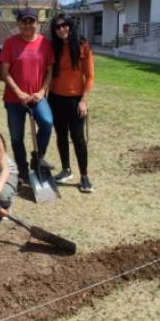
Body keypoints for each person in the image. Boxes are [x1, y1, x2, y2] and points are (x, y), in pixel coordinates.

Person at [0, 7, 55, 184]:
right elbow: (4, 72)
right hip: (14, 99)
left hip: (37, 97)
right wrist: (19, 93)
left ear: (37, 24)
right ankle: (22, 170)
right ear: (18, 24)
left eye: (31, 21)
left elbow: (49, 71)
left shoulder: (45, 44)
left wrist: (41, 91)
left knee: (46, 123)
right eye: (24, 21)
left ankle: (37, 157)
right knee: (16, 137)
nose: (28, 25)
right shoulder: (10, 43)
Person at [49, 14, 95, 192]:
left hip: (75, 100)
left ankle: (84, 176)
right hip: (55, 98)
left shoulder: (83, 46)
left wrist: (83, 100)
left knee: (78, 138)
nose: (61, 29)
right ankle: (66, 169)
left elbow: (90, 77)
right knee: (61, 135)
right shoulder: (54, 48)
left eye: (64, 25)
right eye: (57, 27)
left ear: (70, 26)